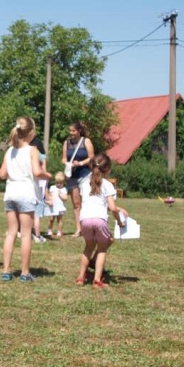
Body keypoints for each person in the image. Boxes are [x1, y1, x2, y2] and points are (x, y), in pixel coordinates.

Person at [0, 116, 50, 282]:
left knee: (11, 233)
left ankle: (6, 271)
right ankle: (25, 273)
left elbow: (2, 174)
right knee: (26, 235)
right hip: (25, 193)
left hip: (10, 193)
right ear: (31, 132)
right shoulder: (32, 150)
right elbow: (37, 172)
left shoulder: (9, 151)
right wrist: (47, 174)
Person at [76, 153, 127, 288]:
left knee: (88, 248)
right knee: (102, 249)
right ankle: (97, 280)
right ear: (108, 170)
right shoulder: (108, 185)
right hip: (100, 220)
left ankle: (81, 277)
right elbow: (112, 208)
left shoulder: (84, 183)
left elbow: (85, 203)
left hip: (85, 219)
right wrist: (119, 221)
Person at [62, 122, 95, 236]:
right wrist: (68, 164)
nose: (71, 133)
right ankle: (79, 229)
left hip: (85, 175)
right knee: (76, 203)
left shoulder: (86, 141)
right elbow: (63, 159)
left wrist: (80, 163)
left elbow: (91, 157)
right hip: (72, 176)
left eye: (73, 131)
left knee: (86, 201)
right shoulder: (66, 143)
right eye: (70, 130)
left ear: (79, 131)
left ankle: (88, 227)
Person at [30, 135, 48, 243]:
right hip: (39, 192)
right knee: (37, 215)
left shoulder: (27, 155)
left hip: (29, 190)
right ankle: (37, 235)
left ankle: (27, 232)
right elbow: (44, 170)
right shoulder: (41, 157)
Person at [48, 172, 68, 238]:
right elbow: (49, 195)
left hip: (60, 207)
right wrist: (49, 200)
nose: (58, 184)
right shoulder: (52, 187)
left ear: (63, 182)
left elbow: (65, 198)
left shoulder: (64, 189)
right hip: (53, 206)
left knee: (59, 220)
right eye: (57, 183)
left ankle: (59, 231)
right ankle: (49, 230)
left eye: (60, 183)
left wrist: (60, 195)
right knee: (51, 219)